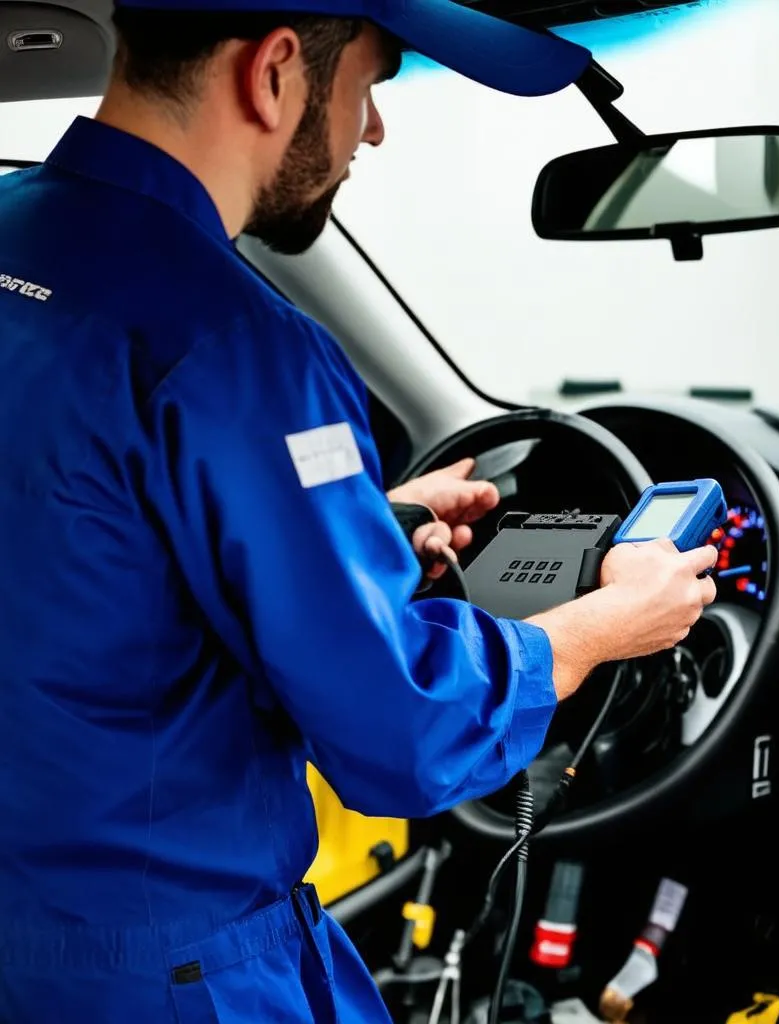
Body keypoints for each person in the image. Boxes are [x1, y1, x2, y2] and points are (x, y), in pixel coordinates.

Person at [0, 1, 718, 1021]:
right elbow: (399, 727)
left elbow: (69, 535)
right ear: (277, 71)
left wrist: (347, 523)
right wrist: (605, 626)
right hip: (162, 974)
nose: (371, 129)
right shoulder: (235, 344)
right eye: (369, 86)